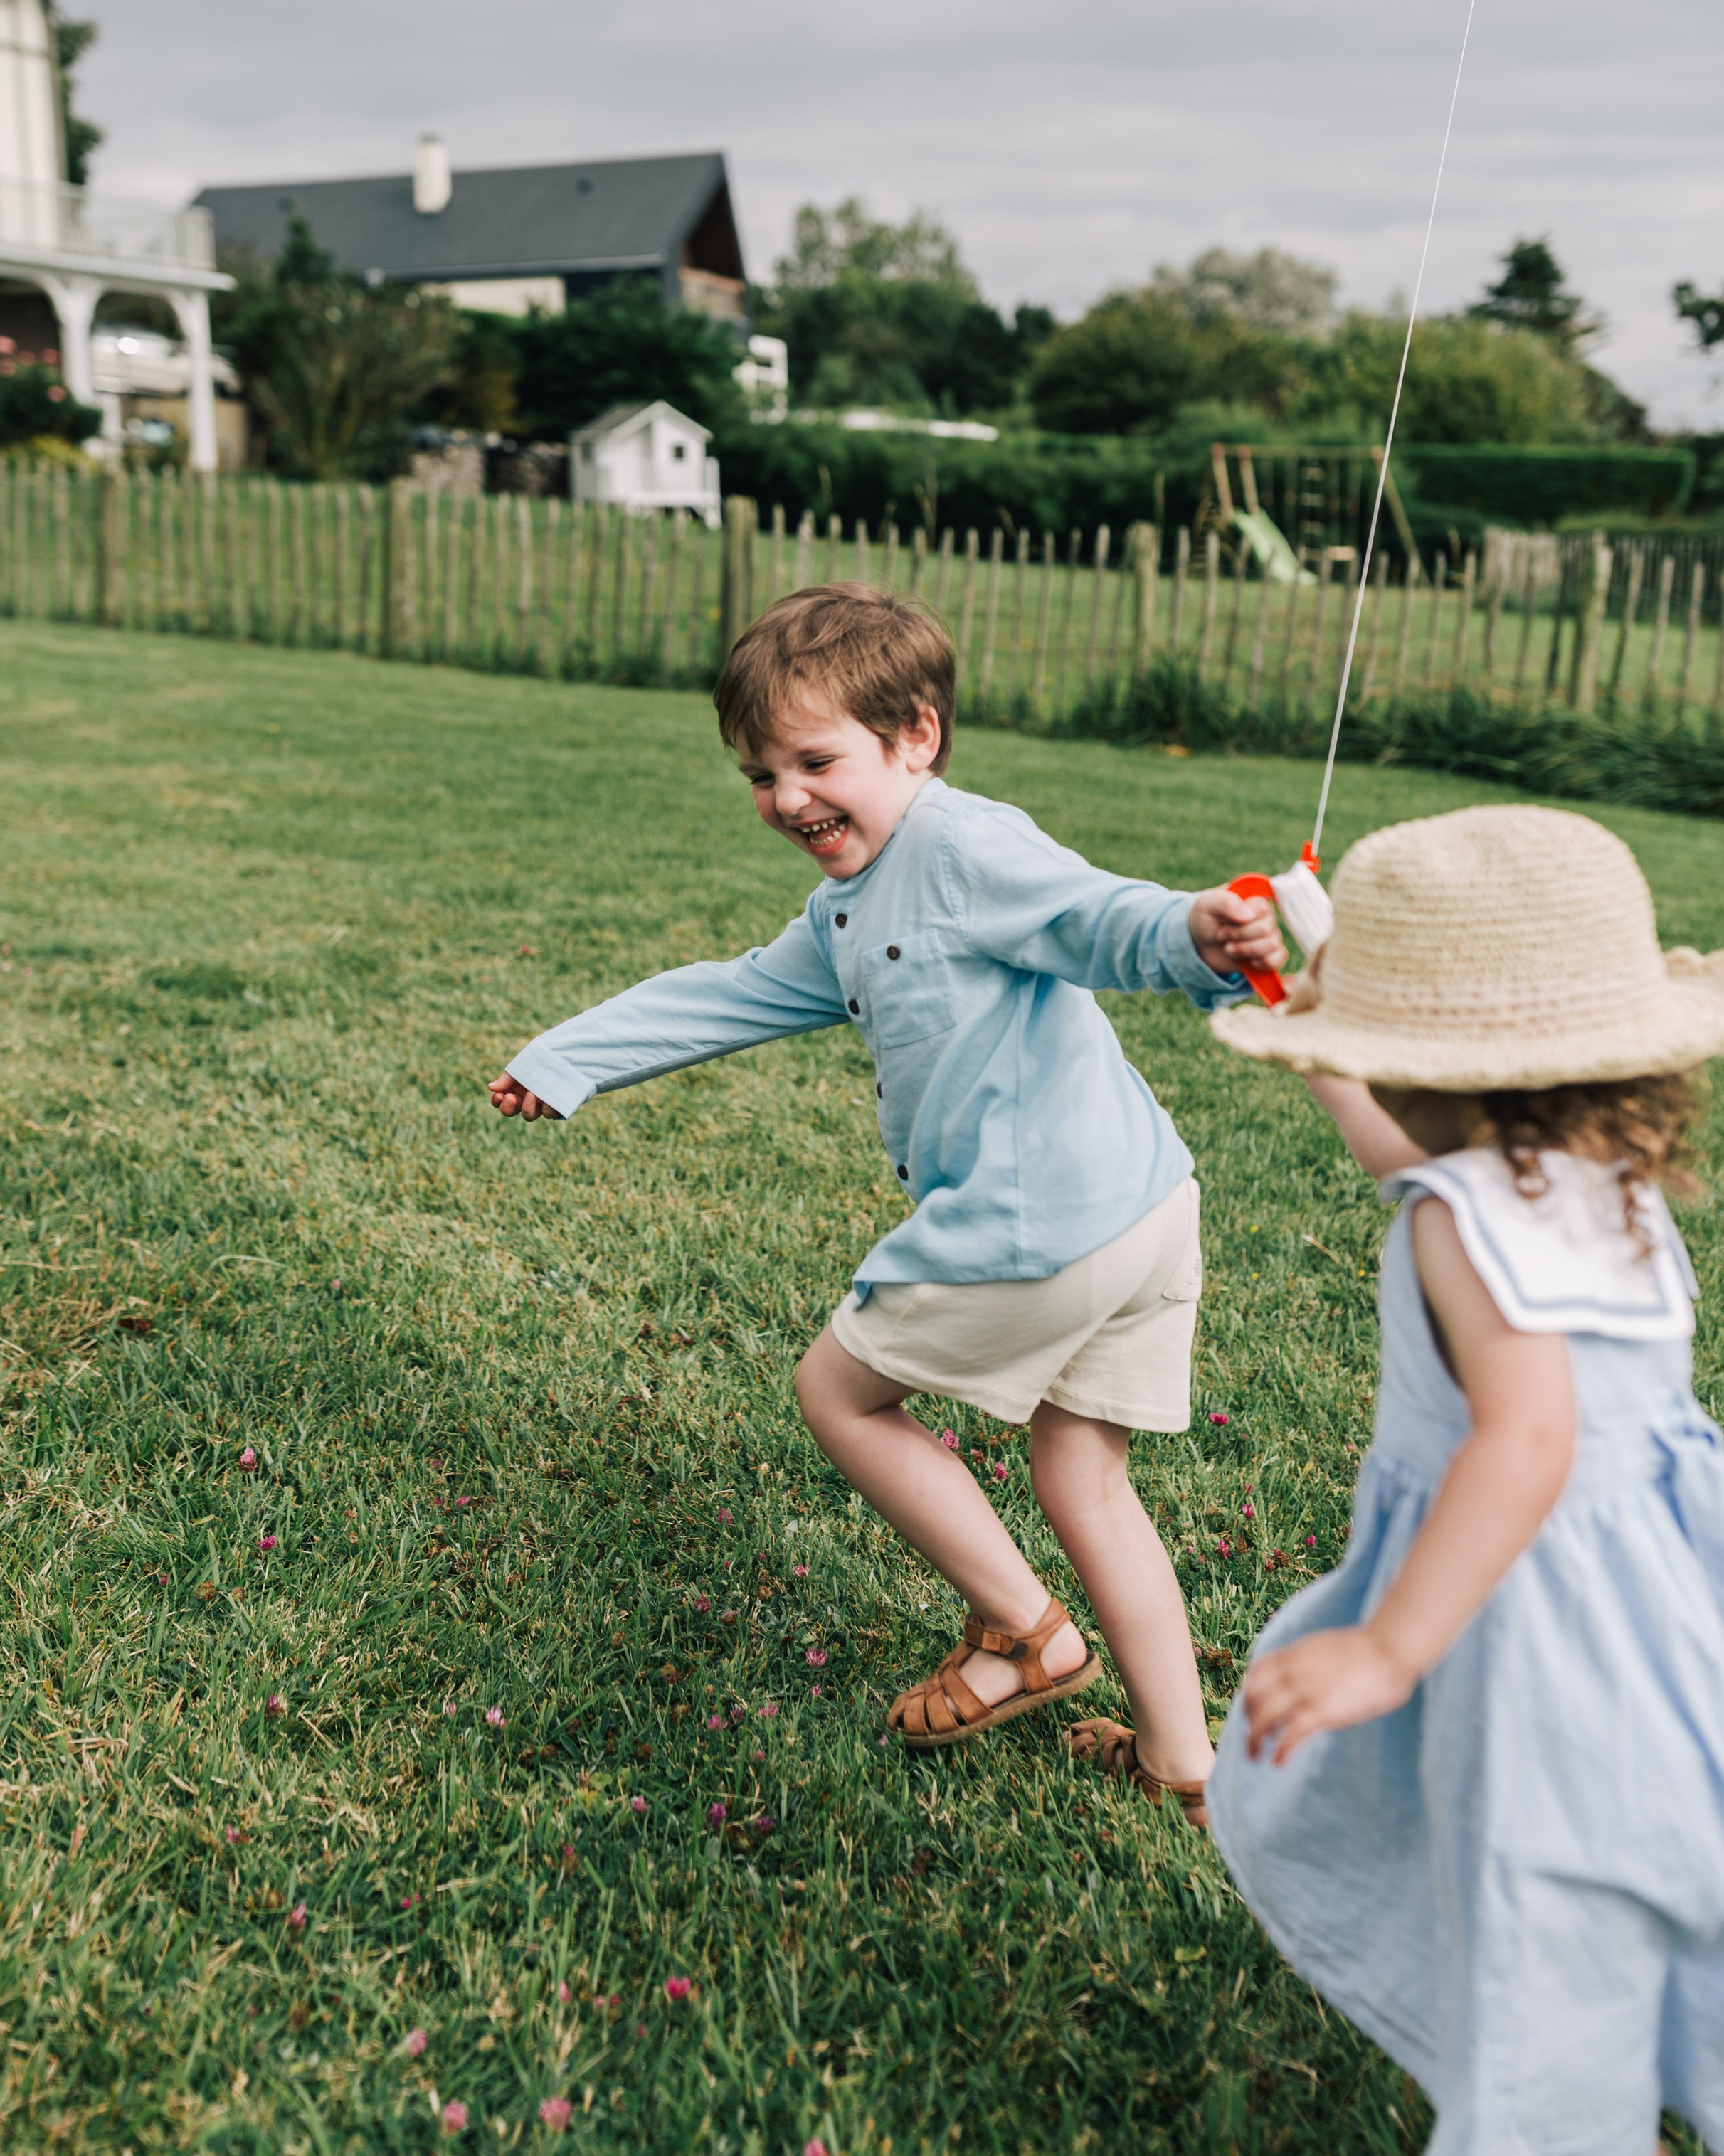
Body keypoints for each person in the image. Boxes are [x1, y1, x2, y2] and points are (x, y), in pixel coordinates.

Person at [490, 583, 1281, 1809]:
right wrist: (572, 1057)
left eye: (815, 760)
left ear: (915, 735)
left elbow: (1092, 916)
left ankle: (1025, 1633)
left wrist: (1192, 931)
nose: (787, 798)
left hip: (1044, 1226)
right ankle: (1185, 1765)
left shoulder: (964, 845)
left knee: (839, 1391)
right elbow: (732, 993)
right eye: (760, 774)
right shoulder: (850, 904)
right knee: (1082, 1476)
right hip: (1142, 1206)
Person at [1200, 802, 1724, 2154]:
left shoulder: (1459, 1221)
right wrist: (1330, 1051)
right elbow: (1417, 1158)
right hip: (1668, 1597)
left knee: (1538, 1911)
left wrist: (1386, 1649)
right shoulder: (1603, 1180)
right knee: (1667, 1858)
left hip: (1528, 1619)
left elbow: (1529, 1438)